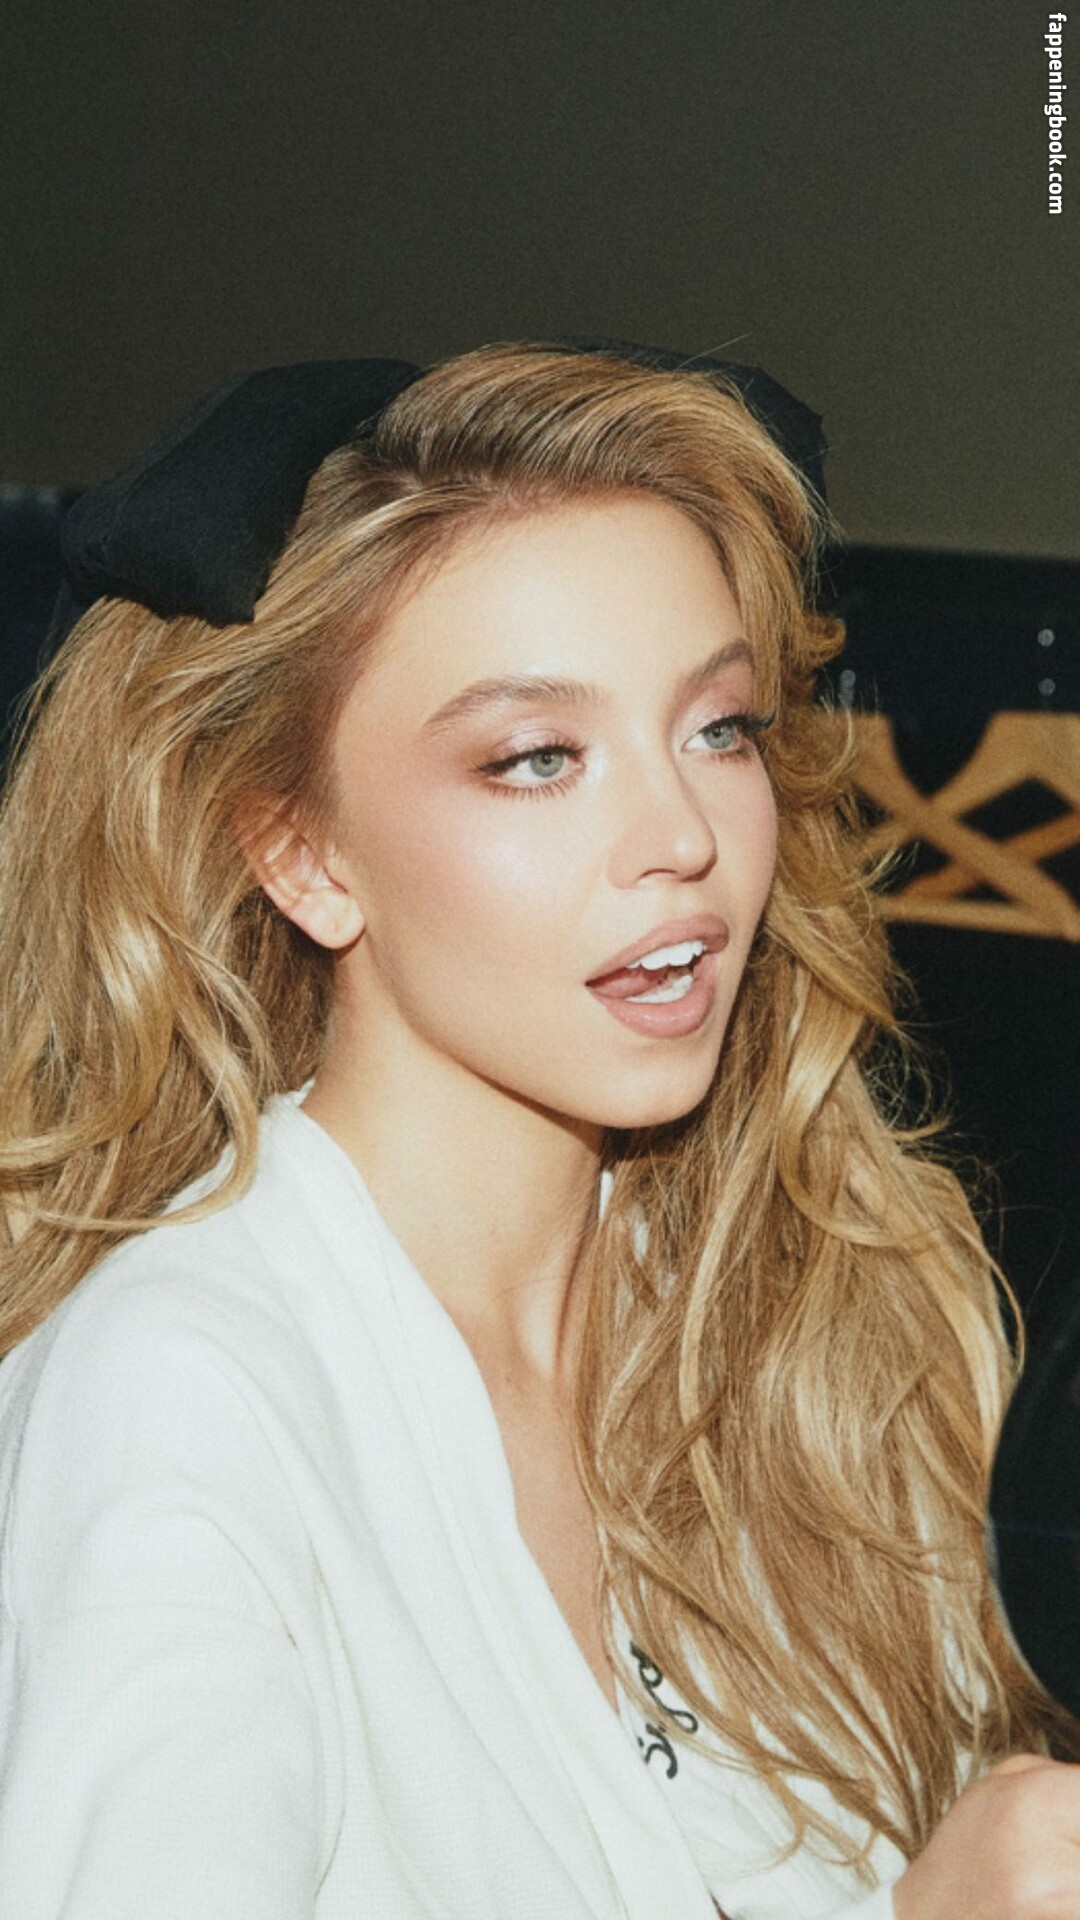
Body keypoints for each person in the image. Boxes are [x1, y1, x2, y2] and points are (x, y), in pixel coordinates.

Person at [0, 339, 1077, 1920]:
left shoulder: (806, 1327)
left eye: (718, 728)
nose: (680, 837)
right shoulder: (184, 1389)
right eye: (537, 760)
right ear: (303, 856)